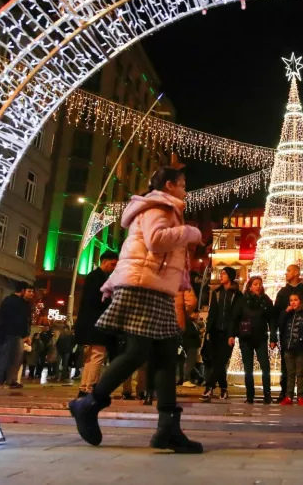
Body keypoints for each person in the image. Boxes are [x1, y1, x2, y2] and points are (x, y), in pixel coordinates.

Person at [68, 166, 204, 453]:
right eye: (182, 185)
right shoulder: (159, 206)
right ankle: (89, 403)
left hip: (157, 288)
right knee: (138, 351)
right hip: (143, 286)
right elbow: (156, 241)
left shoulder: (166, 208)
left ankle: (168, 427)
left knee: (166, 354)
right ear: (169, 185)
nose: (185, 190)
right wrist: (190, 232)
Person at [74, 250, 120, 397]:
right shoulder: (100, 278)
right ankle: (89, 388)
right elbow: (101, 301)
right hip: (97, 324)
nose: (113, 268)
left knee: (91, 357)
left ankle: (84, 387)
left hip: (90, 324)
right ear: (105, 261)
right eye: (112, 264)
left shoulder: (93, 277)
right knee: (97, 356)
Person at [231, 276, 276, 404]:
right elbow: (235, 318)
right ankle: (250, 395)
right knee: (248, 368)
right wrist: (232, 335)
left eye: (260, 284)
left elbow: (271, 319)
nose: (258, 286)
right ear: (250, 286)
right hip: (246, 338)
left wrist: (273, 337)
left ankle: (267, 395)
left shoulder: (265, 300)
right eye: (255, 284)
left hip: (260, 337)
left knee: (265, 367)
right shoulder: (243, 300)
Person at [201, 267, 240, 402]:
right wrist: (208, 331)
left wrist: (232, 334)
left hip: (228, 334)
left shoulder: (237, 294)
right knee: (218, 362)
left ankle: (209, 387)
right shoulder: (216, 292)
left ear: (230, 276)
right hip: (215, 332)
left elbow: (235, 316)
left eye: (224, 273)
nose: (221, 275)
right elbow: (212, 313)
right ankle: (223, 389)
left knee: (222, 361)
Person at [273, 262, 303, 400]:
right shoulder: (282, 292)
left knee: (301, 367)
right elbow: (276, 314)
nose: (285, 273)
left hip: (301, 335)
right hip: (286, 335)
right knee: (286, 366)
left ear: (296, 273)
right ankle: (286, 392)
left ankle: (301, 393)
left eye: (288, 270)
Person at [0, 282, 34, 388]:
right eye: (29, 291)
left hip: (4, 334)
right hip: (12, 334)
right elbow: (19, 321)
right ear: (23, 291)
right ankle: (1, 380)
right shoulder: (19, 303)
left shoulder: (8, 300)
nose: (32, 294)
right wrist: (25, 336)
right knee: (11, 358)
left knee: (5, 358)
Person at [278, 292, 303, 405]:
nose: (293, 302)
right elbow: (280, 324)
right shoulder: (288, 314)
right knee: (290, 373)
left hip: (301, 348)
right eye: (291, 300)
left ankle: (300, 396)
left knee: (300, 373)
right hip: (288, 347)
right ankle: (288, 396)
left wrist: (302, 339)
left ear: (301, 301)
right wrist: (285, 312)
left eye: (295, 300)